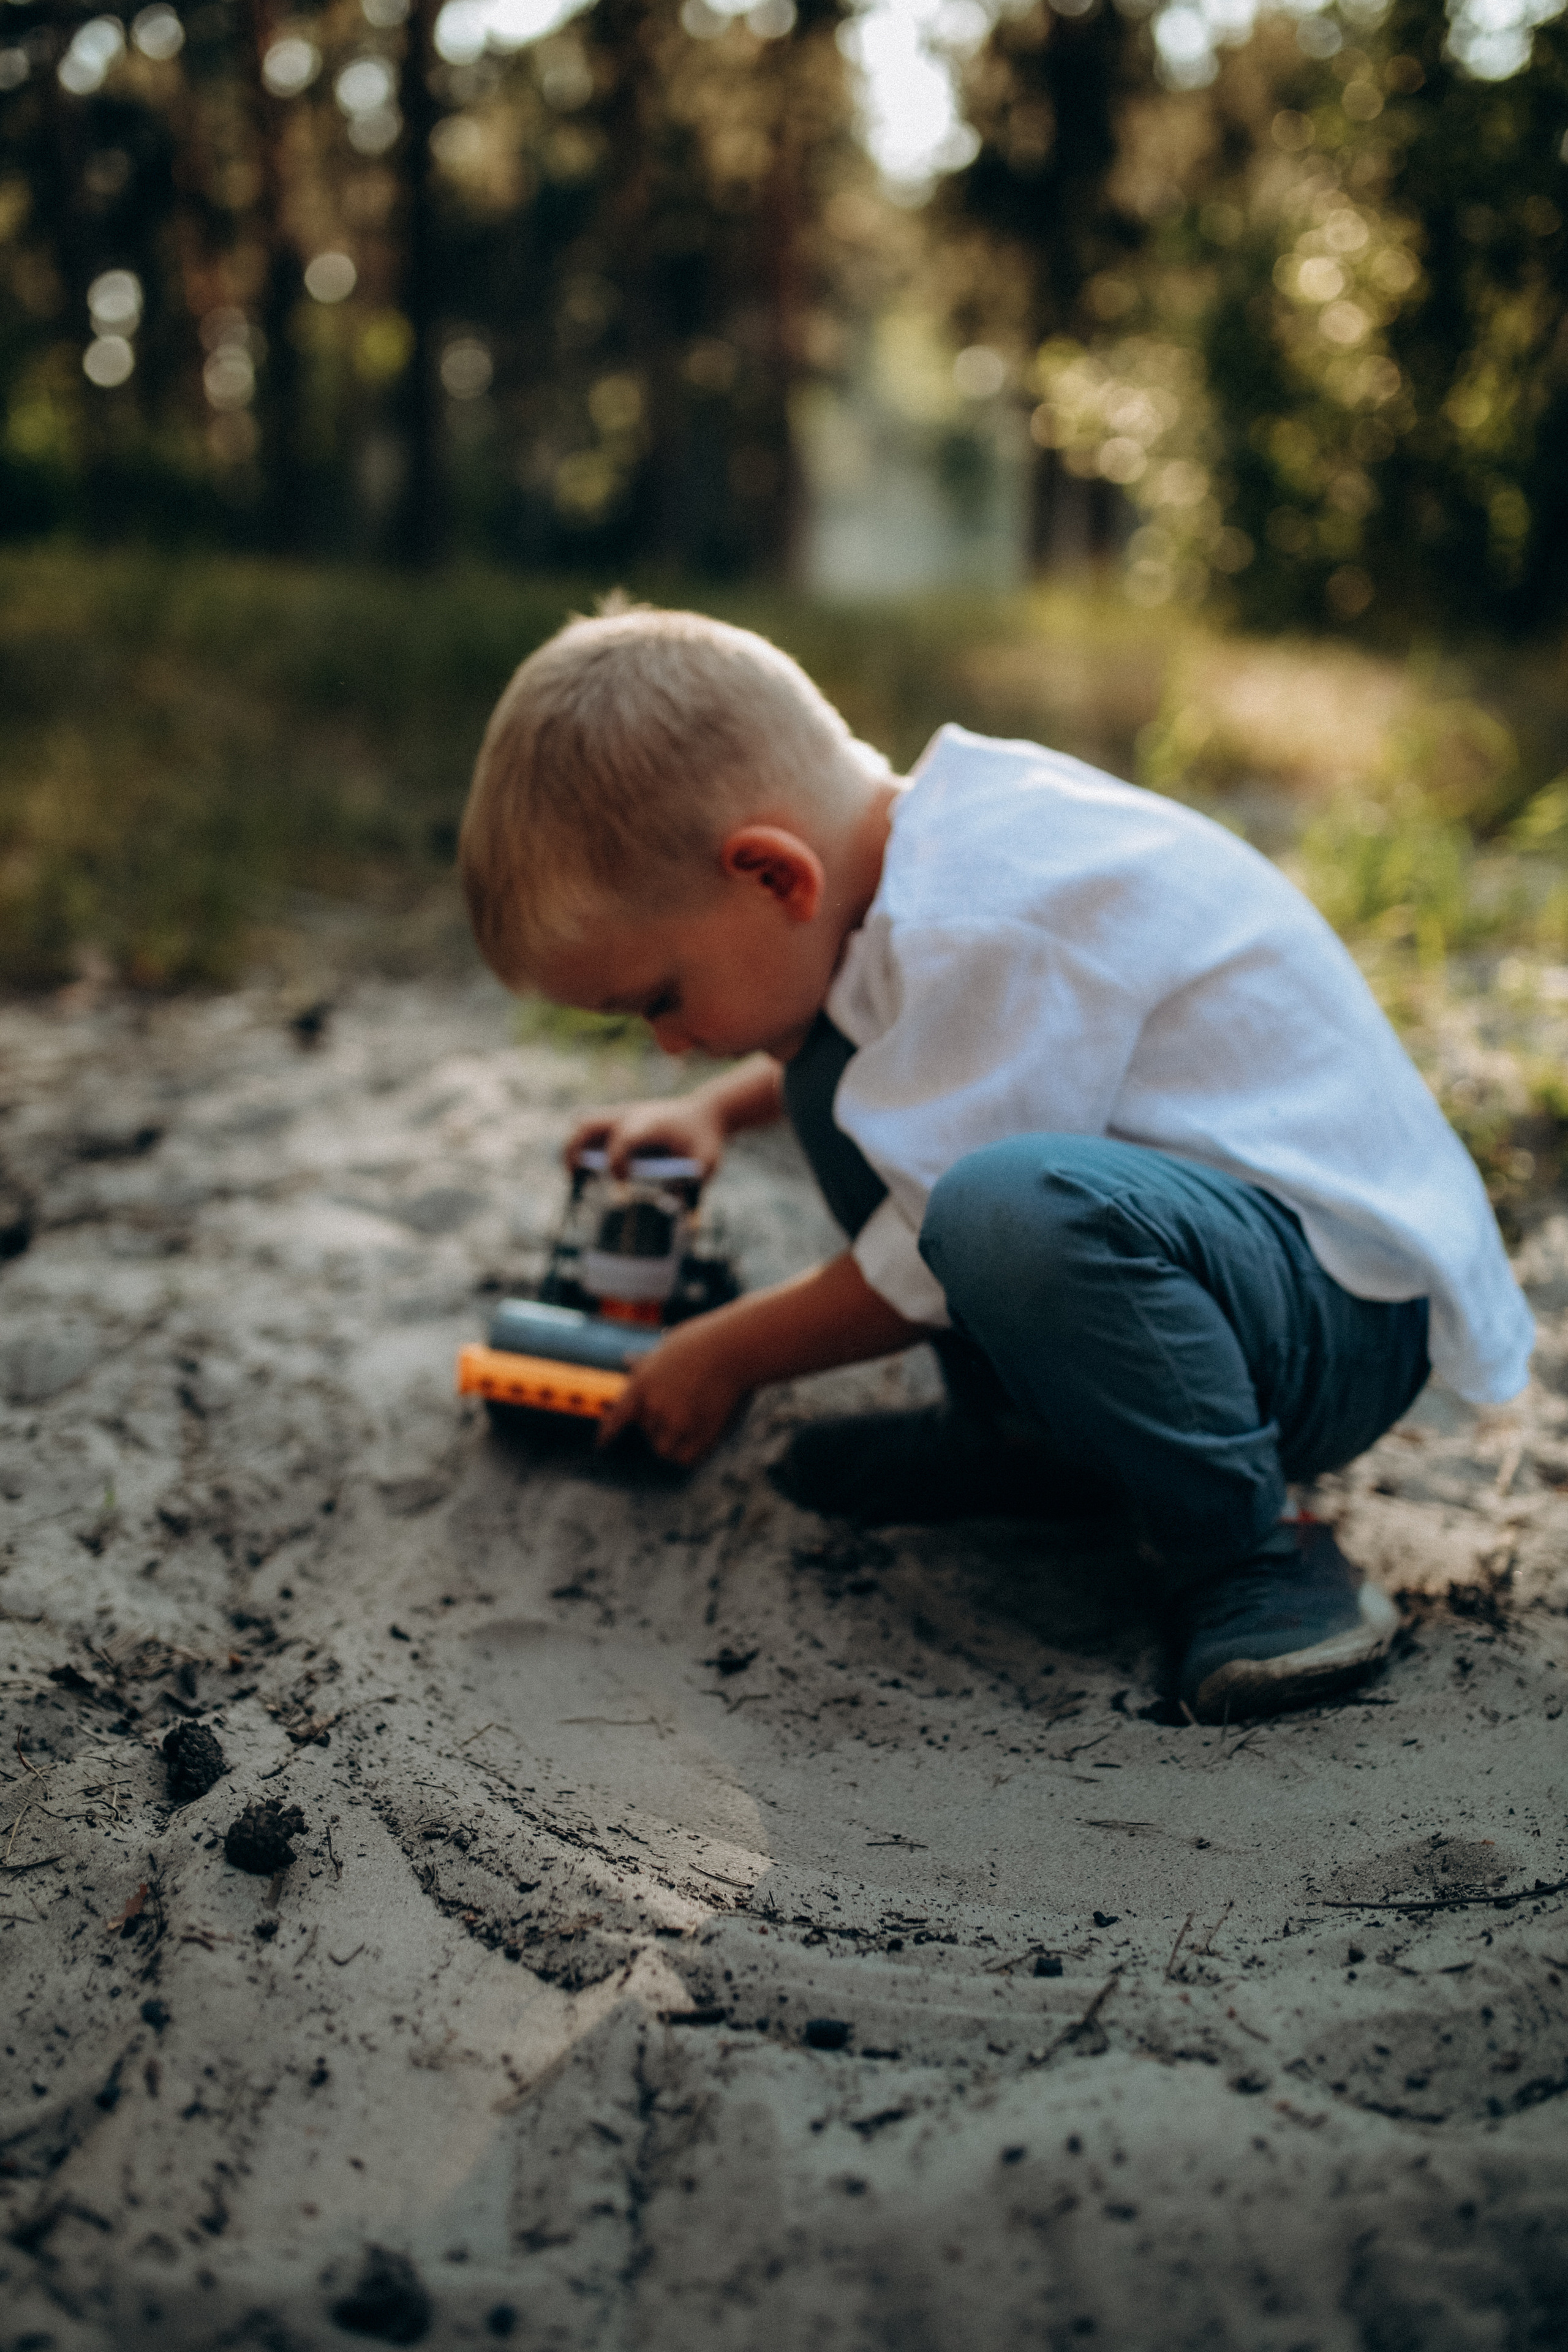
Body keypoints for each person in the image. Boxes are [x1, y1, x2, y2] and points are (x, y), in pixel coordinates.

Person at [458, 606, 1534, 1721]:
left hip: (1335, 1318)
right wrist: (715, 1113)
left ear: (773, 876)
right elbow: (908, 1046)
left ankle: (1258, 1549)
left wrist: (720, 1355)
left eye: (661, 1000)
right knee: (833, 1082)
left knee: (997, 1213)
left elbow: (925, 1248)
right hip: (1224, 1274)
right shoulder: (912, 861)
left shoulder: (988, 908)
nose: (671, 1042)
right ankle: (1026, 1445)